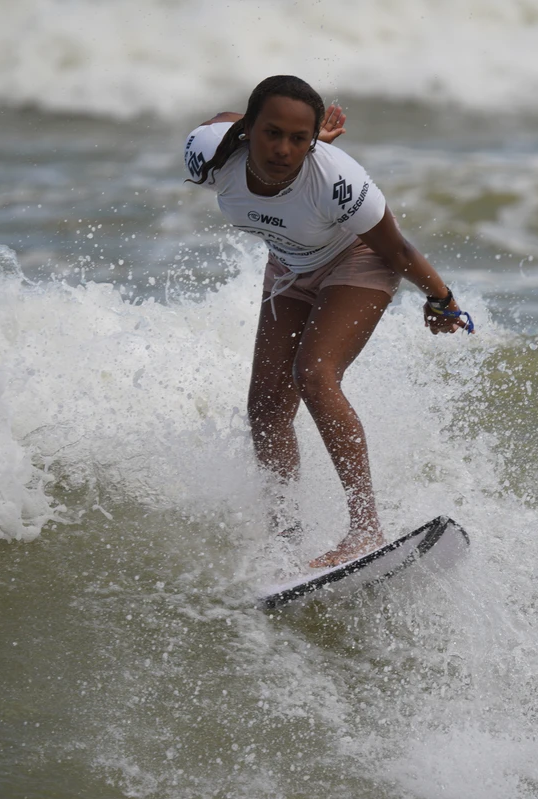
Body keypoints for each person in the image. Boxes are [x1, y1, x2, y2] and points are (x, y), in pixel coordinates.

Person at [184, 75, 472, 569]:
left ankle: (364, 529)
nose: (283, 149)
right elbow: (217, 123)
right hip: (291, 266)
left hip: (359, 259)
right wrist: (285, 134)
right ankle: (285, 538)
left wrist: (441, 298)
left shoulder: (337, 180)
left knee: (314, 375)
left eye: (300, 139)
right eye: (272, 133)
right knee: (267, 404)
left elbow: (396, 248)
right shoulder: (210, 157)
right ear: (250, 128)